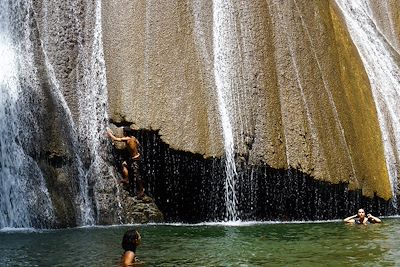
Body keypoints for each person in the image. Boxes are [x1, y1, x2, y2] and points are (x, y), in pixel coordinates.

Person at [107, 126, 145, 198]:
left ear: (125, 133)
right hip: (138, 156)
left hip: (134, 159)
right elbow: (138, 143)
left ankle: (141, 189)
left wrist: (109, 134)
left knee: (137, 174)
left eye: (123, 132)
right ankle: (126, 179)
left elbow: (116, 139)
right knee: (124, 164)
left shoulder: (127, 139)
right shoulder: (133, 137)